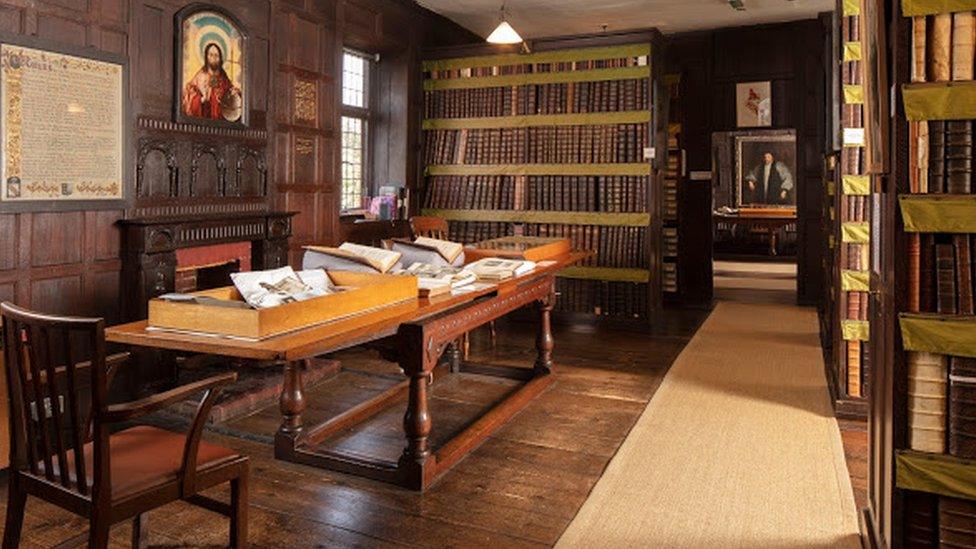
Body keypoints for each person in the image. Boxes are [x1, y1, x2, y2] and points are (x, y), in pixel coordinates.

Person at [182, 42, 241, 121]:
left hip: (222, 123)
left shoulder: (224, 79)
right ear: (206, 57)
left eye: (216, 55)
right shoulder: (200, 76)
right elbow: (188, 94)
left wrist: (234, 92)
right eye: (211, 55)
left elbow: (231, 96)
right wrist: (201, 99)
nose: (213, 58)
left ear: (220, 58)